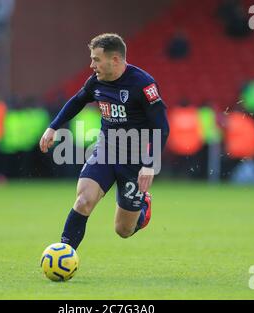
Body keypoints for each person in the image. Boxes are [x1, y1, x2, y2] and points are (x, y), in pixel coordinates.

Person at [39, 33, 169, 250]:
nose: (92, 65)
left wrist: (149, 164)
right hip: (106, 150)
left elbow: (162, 127)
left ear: (115, 60)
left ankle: (143, 207)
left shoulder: (143, 84)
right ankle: (64, 252)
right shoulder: (96, 82)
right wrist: (53, 126)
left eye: (96, 59)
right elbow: (77, 101)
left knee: (123, 230)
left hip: (135, 160)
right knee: (83, 201)